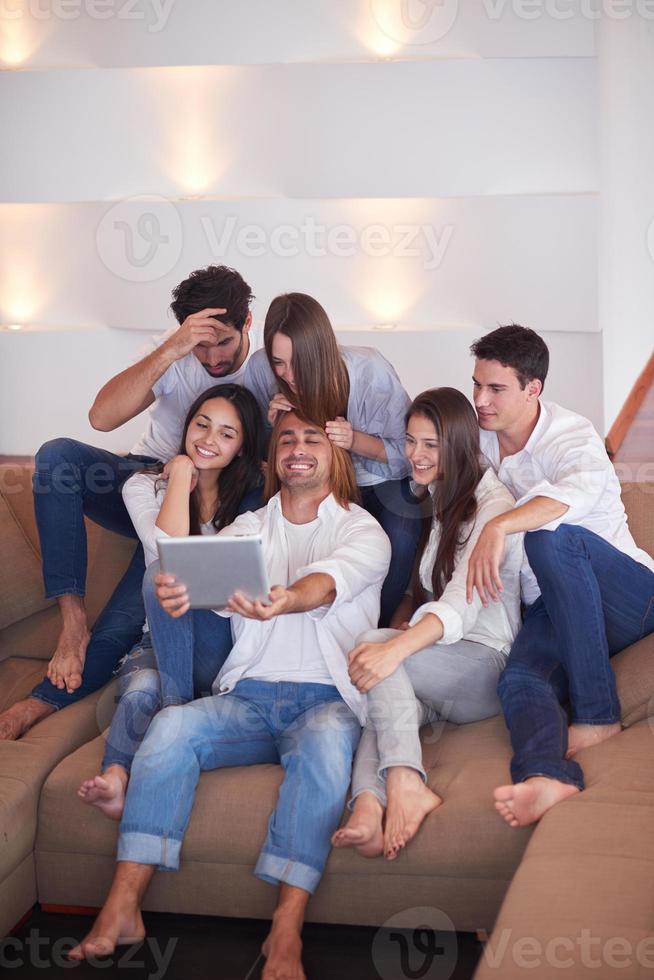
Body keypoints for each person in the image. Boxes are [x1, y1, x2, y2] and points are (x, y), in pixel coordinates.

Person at [68, 410, 391, 980]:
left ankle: (285, 929)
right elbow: (201, 582)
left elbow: (328, 582)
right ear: (271, 459)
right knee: (171, 727)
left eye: (312, 439)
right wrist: (177, 592)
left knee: (322, 754)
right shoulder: (247, 529)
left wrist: (285, 599)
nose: (297, 448)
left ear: (334, 454)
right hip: (246, 697)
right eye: (286, 439)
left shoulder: (364, 530)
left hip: (325, 700)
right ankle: (122, 906)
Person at [0, 265, 262, 741]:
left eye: (222, 341)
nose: (212, 356)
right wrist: (175, 346)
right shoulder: (176, 349)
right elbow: (101, 418)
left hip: (217, 495)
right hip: (150, 478)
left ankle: (42, 699)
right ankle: (72, 621)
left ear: (247, 323)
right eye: (200, 343)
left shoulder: (263, 370)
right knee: (57, 455)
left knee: (132, 611)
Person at [463, 324, 654, 827]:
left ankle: (598, 716)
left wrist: (501, 525)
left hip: (628, 593)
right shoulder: (478, 440)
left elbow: (576, 498)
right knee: (521, 680)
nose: (481, 399)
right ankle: (546, 778)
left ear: (533, 389)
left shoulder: (571, 435)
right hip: (555, 603)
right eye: (476, 384)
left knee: (550, 534)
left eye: (496, 388)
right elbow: (417, 447)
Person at [331, 388, 523, 860]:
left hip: (483, 665)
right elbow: (427, 592)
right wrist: (398, 641)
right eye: (411, 441)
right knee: (384, 699)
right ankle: (368, 808)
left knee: (376, 649)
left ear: (457, 445)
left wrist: (395, 646)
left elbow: (461, 602)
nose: (415, 455)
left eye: (430, 445)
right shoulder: (441, 499)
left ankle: (405, 781)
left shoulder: (492, 507)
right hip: (443, 668)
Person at [77, 384, 264, 819]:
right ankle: (116, 777)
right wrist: (179, 478)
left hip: (221, 644)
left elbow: (170, 568)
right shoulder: (142, 487)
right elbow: (167, 549)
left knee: (158, 575)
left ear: (240, 448)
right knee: (141, 688)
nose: (208, 439)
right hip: (157, 642)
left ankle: (175, 712)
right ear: (187, 425)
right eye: (202, 424)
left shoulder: (254, 496)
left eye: (226, 434)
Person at [244, 291, 420, 627]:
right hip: (305, 483)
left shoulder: (370, 371)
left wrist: (355, 441)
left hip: (373, 480)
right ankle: (258, 622)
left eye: (299, 362)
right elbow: (257, 452)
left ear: (322, 353)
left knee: (401, 527)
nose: (289, 375)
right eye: (279, 362)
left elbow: (407, 457)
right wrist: (270, 426)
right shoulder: (259, 370)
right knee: (247, 505)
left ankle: (374, 629)